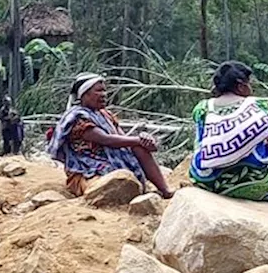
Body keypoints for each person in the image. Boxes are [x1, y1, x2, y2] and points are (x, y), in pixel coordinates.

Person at [189, 61, 268, 207]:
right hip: (256, 182)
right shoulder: (257, 106)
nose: (251, 88)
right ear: (240, 86)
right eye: (249, 83)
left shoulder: (202, 108)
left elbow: (199, 144)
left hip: (209, 183)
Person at [46, 72, 174, 198]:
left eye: (104, 91)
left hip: (109, 160)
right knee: (107, 182)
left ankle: (165, 190)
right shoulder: (78, 118)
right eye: (98, 91)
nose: (103, 95)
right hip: (86, 169)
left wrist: (144, 140)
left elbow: (122, 137)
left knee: (138, 148)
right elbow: (106, 139)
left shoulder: (104, 114)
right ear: (84, 94)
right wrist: (138, 140)